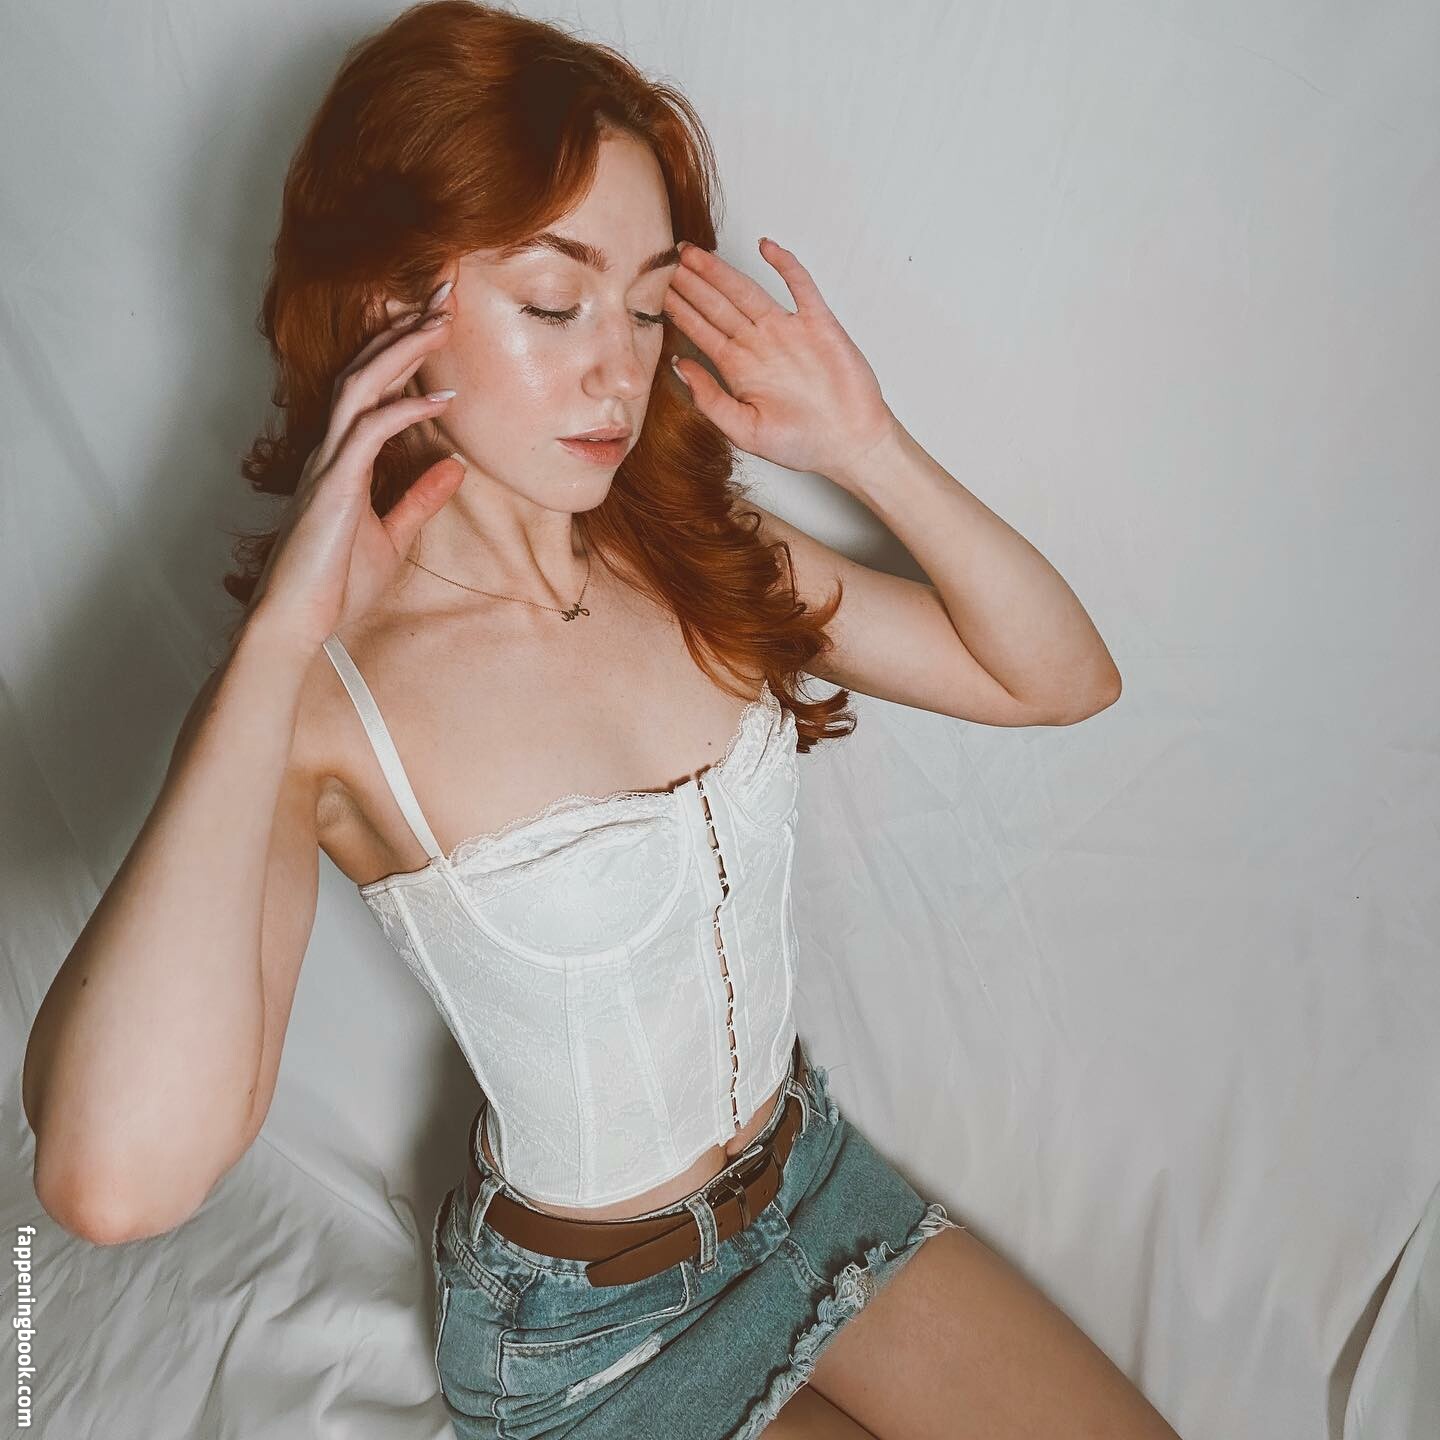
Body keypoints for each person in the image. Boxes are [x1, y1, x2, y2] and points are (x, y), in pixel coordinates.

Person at [21, 4, 1180, 1437]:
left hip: (816, 1188)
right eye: (554, 303)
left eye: (642, 307)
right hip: (585, 1331)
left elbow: (1060, 680)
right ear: (388, 307)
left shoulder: (692, 552)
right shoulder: (323, 699)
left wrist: (864, 445)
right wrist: (272, 649)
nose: (617, 372)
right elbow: (110, 1182)